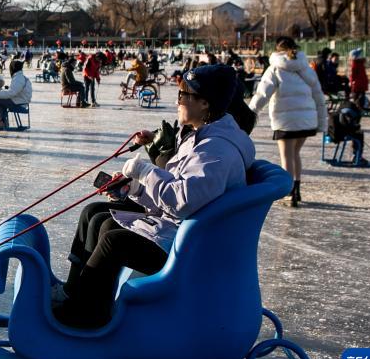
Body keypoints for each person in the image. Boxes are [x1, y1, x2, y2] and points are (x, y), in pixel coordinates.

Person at [54, 64, 255, 329]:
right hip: (183, 232)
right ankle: (79, 295)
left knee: (114, 239)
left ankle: (85, 315)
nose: (177, 101)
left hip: (194, 248)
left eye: (183, 95)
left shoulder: (216, 149)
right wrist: (136, 190)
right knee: (98, 216)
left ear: (205, 103)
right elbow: (178, 190)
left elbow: (183, 201)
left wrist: (145, 171)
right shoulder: (203, 137)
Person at [248, 37, 326, 207]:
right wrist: (321, 121)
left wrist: (248, 114)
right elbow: (318, 95)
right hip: (307, 120)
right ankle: (296, 189)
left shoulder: (275, 69)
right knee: (295, 154)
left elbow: (262, 95)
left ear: (277, 50)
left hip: (285, 120)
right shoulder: (306, 68)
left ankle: (289, 192)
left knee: (287, 156)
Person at [0, 59, 32, 128]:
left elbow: (12, 93)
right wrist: (7, 90)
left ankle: (3, 122)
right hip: (21, 100)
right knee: (2, 99)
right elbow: (15, 91)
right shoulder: (20, 77)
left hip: (20, 103)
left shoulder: (18, 78)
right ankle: (3, 121)